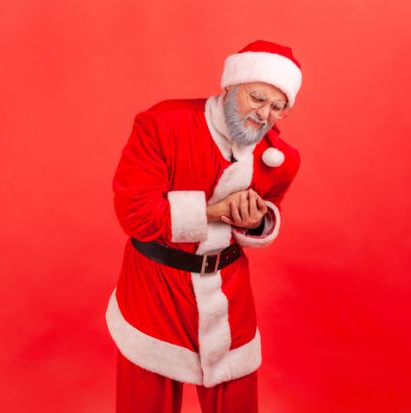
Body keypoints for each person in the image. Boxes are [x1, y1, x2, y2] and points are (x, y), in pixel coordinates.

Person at [105, 40, 302, 413]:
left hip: (228, 289)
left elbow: (268, 214)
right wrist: (213, 211)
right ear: (230, 87)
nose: (264, 114)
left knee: (238, 399)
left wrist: (256, 221)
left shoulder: (280, 160)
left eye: (277, 107)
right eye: (257, 98)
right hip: (155, 285)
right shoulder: (162, 124)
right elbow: (134, 213)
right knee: (144, 401)